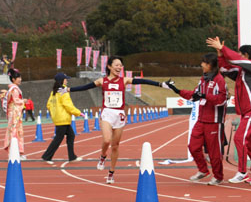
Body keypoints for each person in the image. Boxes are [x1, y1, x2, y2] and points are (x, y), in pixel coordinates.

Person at [65, 55, 171, 184]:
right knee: (106, 140)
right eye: (116, 65)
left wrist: (161, 84)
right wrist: (68, 89)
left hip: (119, 115)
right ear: (109, 66)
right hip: (107, 113)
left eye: (120, 65)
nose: (119, 67)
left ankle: (111, 173)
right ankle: (103, 156)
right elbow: (85, 87)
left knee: (115, 146)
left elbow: (143, 81)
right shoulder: (101, 81)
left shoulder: (124, 80)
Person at [206, 37, 251, 184]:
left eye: (241, 54)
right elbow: (224, 68)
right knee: (249, 143)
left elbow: (236, 59)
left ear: (246, 55)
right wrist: (220, 53)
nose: (239, 56)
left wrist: (223, 48)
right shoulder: (241, 72)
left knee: (239, 138)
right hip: (246, 111)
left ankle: (242, 171)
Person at [167, 53, 227, 185]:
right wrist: (176, 90)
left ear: (210, 65)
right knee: (193, 147)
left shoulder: (219, 80)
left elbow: (222, 100)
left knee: (214, 152)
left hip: (214, 122)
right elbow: (194, 95)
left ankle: (218, 176)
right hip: (201, 119)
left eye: (204, 63)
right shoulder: (203, 79)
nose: (201, 65)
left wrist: (205, 95)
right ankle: (203, 170)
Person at [41, 72, 84, 164]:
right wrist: (78, 113)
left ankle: (72, 157)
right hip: (63, 119)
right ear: (62, 80)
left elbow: (48, 105)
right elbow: (68, 105)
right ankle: (47, 156)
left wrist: (55, 112)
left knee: (70, 135)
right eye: (65, 79)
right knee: (58, 138)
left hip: (59, 118)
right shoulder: (63, 90)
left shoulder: (54, 91)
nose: (67, 80)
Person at [0, 68, 26, 159]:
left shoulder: (13, 88)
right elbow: (16, 101)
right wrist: (23, 101)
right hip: (15, 113)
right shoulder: (14, 89)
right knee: (15, 132)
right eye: (18, 77)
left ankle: (16, 152)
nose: (20, 79)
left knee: (15, 131)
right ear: (13, 79)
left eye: (20, 77)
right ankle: (16, 152)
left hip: (14, 113)